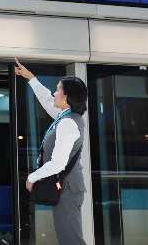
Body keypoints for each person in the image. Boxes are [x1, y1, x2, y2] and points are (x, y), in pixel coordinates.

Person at [15, 58, 87, 245]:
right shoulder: (65, 116)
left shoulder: (69, 123)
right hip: (67, 189)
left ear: (67, 96)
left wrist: (32, 177)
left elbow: (58, 163)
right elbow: (47, 100)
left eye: (58, 89)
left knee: (71, 240)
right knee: (68, 238)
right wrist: (31, 79)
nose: (55, 93)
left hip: (68, 191)